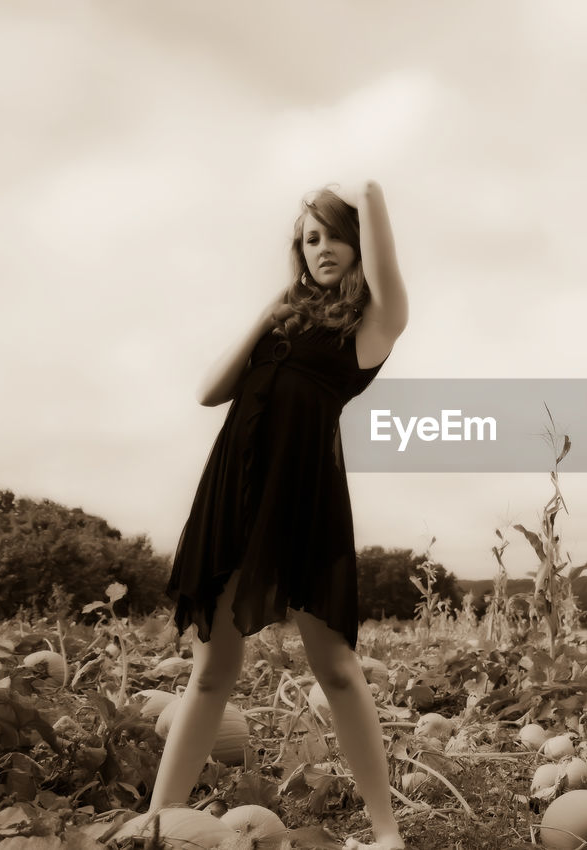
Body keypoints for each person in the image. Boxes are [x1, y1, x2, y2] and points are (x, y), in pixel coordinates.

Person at [149, 180, 409, 850]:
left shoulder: (372, 327)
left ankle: (386, 833)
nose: (321, 248)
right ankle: (154, 823)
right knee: (210, 673)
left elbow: (384, 259)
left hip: (304, 500)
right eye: (309, 237)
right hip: (234, 496)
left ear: (358, 243)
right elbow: (210, 391)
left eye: (334, 235)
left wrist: (368, 189)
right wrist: (268, 311)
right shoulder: (285, 320)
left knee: (338, 669)